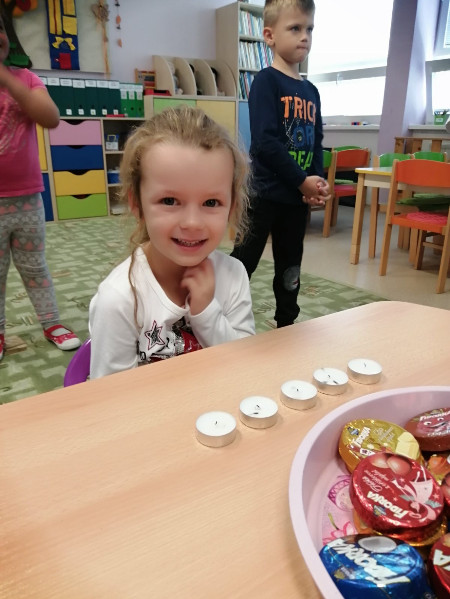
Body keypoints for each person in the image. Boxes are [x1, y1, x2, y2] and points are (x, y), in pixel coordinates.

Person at [89, 106, 255, 379]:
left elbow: (244, 366)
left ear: (231, 206)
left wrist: (206, 312)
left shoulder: (233, 274)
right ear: (137, 204)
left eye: (211, 202)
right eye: (169, 201)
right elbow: (113, 397)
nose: (192, 222)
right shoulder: (118, 299)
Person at [231, 0, 331, 328]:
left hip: (295, 200)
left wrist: (315, 182)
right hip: (263, 194)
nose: (305, 36)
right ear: (270, 36)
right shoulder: (266, 82)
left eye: (309, 29)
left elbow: (316, 142)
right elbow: (265, 143)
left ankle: (287, 324)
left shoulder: (311, 91)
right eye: (295, 28)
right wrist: (302, 180)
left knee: (290, 266)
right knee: (243, 262)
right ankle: (217, 315)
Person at [0, 11, 80, 361]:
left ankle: (51, 322)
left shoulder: (27, 80)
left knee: (35, 267)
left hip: (27, 200)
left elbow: (51, 117)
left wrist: (7, 79)